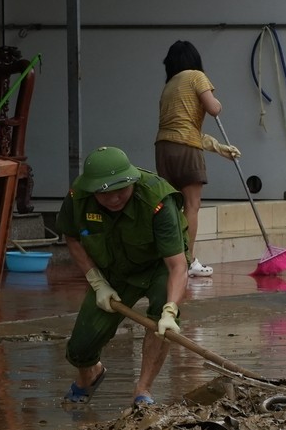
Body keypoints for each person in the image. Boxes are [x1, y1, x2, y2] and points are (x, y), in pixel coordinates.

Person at [56, 146, 189, 406]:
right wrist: (97, 282)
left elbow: (177, 266)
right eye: (106, 193)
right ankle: (90, 374)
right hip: (113, 269)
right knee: (81, 345)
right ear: (93, 188)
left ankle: (143, 391)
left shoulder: (157, 200)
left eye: (121, 190)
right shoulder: (79, 196)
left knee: (160, 322)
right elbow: (72, 238)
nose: (115, 198)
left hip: (158, 266)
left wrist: (170, 311)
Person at [154, 40, 239, 278]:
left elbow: (182, 128)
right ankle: (187, 261)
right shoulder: (197, 76)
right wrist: (217, 102)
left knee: (171, 207)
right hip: (186, 150)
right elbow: (213, 109)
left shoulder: (169, 85)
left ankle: (170, 260)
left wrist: (218, 147)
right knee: (192, 205)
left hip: (163, 148)